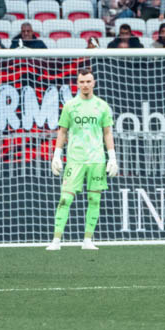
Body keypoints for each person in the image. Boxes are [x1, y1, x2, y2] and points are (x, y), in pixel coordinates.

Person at [46, 69, 119, 251]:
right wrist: (56, 155)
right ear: (77, 84)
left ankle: (87, 240)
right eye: (82, 82)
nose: (85, 85)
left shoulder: (102, 106)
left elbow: (107, 133)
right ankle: (56, 240)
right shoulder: (70, 106)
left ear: (93, 83)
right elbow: (62, 132)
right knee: (65, 199)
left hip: (97, 160)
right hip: (75, 159)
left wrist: (112, 158)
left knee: (94, 199)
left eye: (88, 81)